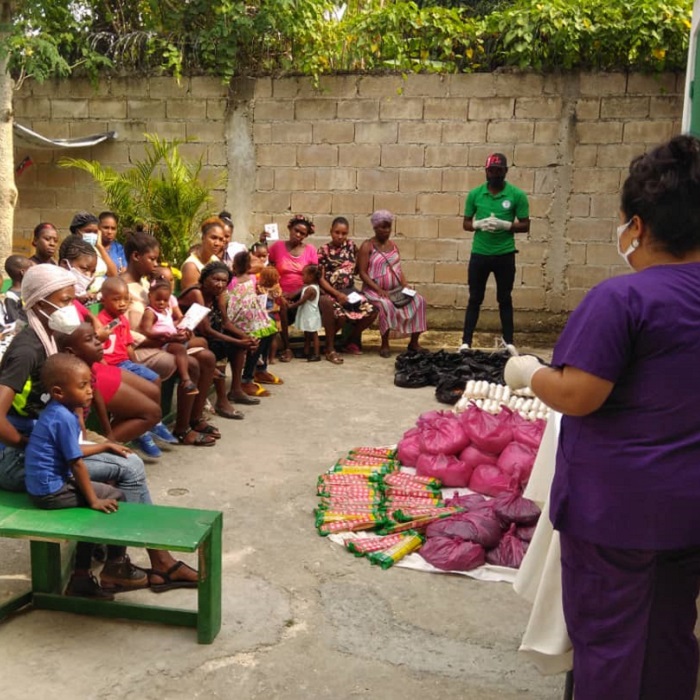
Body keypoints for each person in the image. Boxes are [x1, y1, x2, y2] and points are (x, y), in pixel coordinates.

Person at [503, 134, 700, 700]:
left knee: (611, 644)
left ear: (636, 226)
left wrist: (529, 373)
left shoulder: (623, 301)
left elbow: (580, 393)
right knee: (669, 634)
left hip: (618, 514)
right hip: (689, 513)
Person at [0, 265, 198, 594]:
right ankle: (148, 565)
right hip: (16, 460)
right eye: (64, 300)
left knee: (112, 469)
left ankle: (91, 571)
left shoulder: (47, 337)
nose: (71, 308)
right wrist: (25, 442)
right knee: (129, 466)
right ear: (40, 301)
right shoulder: (27, 350)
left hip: (39, 446)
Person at [25, 353, 134, 600]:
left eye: (90, 384)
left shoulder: (59, 411)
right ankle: (112, 565)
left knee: (100, 497)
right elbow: (77, 464)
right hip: (49, 492)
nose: (90, 391)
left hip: (47, 486)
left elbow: (73, 450)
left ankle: (88, 570)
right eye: (82, 385)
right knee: (115, 496)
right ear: (58, 391)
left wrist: (106, 446)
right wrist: (94, 499)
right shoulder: (63, 417)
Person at [121, 232, 219, 446]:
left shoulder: (148, 285)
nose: (156, 264)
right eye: (152, 259)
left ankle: (194, 419)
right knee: (192, 363)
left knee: (208, 357)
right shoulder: (121, 289)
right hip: (141, 348)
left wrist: (180, 328)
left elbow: (161, 315)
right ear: (135, 256)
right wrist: (161, 337)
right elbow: (123, 330)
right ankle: (182, 430)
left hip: (160, 342)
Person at [58, 322, 172, 452]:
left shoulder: (88, 368)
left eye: (96, 337)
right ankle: (106, 450)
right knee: (151, 414)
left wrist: (109, 434)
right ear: (71, 352)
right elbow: (79, 423)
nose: (98, 343)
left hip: (100, 369)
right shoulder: (74, 380)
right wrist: (101, 446)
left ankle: (113, 443)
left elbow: (97, 396)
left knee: (153, 392)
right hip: (75, 442)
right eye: (89, 340)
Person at [460, 153, 530, 351]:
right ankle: (466, 342)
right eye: (491, 170)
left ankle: (508, 343)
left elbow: (525, 225)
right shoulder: (475, 194)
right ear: (486, 172)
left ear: (506, 171)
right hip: (480, 254)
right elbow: (465, 223)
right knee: (475, 298)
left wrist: (506, 225)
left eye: (499, 171)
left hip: (504, 255)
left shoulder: (517, 195)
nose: (495, 174)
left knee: (504, 299)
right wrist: (477, 224)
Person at [179, 261, 258, 412]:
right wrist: (240, 342)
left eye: (224, 281)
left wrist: (246, 338)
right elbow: (206, 329)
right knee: (220, 346)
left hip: (205, 335)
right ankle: (222, 401)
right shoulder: (196, 293)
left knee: (238, 343)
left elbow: (226, 322)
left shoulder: (217, 295)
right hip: (190, 337)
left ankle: (236, 390)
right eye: (216, 279)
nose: (220, 284)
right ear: (204, 278)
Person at [357, 210, 427, 358]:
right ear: (375, 227)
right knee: (386, 305)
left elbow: (398, 270)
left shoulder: (394, 246)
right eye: (382, 227)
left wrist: (405, 285)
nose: (386, 230)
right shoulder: (367, 246)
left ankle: (414, 343)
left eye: (388, 227)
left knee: (419, 300)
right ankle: (385, 343)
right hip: (373, 290)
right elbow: (362, 273)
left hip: (395, 289)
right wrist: (378, 289)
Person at [267, 214, 328, 362]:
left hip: (303, 292)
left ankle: (320, 349)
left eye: (303, 234)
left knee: (323, 305)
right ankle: (287, 348)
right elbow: (267, 267)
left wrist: (296, 293)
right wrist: (277, 292)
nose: (299, 235)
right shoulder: (277, 247)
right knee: (281, 306)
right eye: (296, 231)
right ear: (290, 228)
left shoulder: (310, 250)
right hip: (280, 292)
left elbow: (314, 276)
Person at [317, 216, 378, 355]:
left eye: (344, 233)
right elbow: (320, 278)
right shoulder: (323, 250)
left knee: (372, 311)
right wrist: (337, 294)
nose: (340, 236)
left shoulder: (351, 246)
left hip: (350, 292)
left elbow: (358, 265)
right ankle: (330, 344)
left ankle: (350, 340)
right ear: (331, 231)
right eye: (336, 232)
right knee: (340, 315)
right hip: (332, 292)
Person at [140, 279, 208, 395]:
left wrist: (181, 326)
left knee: (201, 341)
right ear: (150, 296)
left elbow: (168, 324)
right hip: (164, 343)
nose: (161, 303)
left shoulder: (165, 310)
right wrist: (162, 335)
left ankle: (211, 368)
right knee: (180, 349)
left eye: (165, 300)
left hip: (175, 339)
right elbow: (146, 330)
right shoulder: (150, 312)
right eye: (158, 299)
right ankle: (186, 380)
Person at [227, 251, 280, 394]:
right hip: (239, 319)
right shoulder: (231, 281)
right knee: (257, 337)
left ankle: (260, 369)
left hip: (252, 316)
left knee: (270, 329)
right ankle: (247, 379)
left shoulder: (251, 278)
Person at [68, 211, 118, 285]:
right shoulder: (72, 251)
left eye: (95, 232)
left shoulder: (96, 249)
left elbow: (113, 275)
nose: (92, 235)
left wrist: (99, 246)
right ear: (77, 231)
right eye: (88, 231)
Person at [287, 264, 322, 362]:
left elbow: (301, 301)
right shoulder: (311, 287)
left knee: (313, 333)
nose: (302, 277)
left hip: (311, 315)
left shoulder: (310, 289)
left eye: (304, 275)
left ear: (310, 277)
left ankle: (316, 354)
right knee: (307, 333)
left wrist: (291, 306)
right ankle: (306, 351)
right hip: (308, 314)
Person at [180, 217, 225, 290]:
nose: (217, 243)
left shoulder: (215, 260)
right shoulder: (191, 266)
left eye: (221, 239)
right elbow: (192, 298)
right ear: (203, 237)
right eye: (213, 238)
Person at [3, 255, 33, 323]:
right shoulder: (11, 296)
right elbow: (14, 320)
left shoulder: (30, 289)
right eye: (31, 268)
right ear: (23, 272)